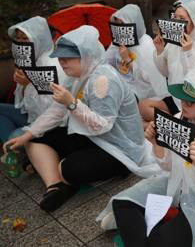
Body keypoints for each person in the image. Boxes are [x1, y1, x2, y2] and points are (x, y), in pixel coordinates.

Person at [3, 26, 159, 211]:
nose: (62, 63)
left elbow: (103, 125)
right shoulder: (76, 76)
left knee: (67, 168)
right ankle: (55, 186)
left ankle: (68, 174)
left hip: (119, 147)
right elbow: (56, 111)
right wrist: (27, 135)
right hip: (89, 135)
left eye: (68, 59)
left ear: (85, 55)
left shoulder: (103, 79)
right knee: (35, 140)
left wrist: (72, 104)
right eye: (60, 58)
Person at [98, 67, 195, 247]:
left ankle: (142, 231)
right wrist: (156, 142)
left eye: (191, 102)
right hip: (180, 185)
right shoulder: (182, 119)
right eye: (183, 99)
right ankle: (146, 233)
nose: (184, 105)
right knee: (122, 203)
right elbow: (168, 167)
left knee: (158, 241)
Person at [139, 0, 195, 120]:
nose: (176, 21)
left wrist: (188, 52)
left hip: (193, 102)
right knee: (143, 106)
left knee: (187, 120)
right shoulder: (173, 42)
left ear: (194, 22)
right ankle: (174, 120)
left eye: (182, 18)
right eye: (175, 17)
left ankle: (174, 121)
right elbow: (165, 72)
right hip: (176, 97)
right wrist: (159, 51)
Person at [1, 17, 66, 143]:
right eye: (18, 38)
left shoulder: (55, 64)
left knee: (15, 137)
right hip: (31, 117)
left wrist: (30, 83)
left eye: (25, 38)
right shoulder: (29, 60)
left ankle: (17, 149)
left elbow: (53, 111)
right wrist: (23, 85)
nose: (21, 42)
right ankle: (14, 149)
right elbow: (22, 106)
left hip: (50, 125)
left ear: (39, 39)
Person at [105, 4, 169, 124]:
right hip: (123, 87)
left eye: (123, 26)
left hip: (145, 93)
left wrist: (127, 60)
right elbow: (105, 63)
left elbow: (150, 78)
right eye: (117, 26)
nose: (121, 30)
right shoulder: (116, 42)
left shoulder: (146, 45)